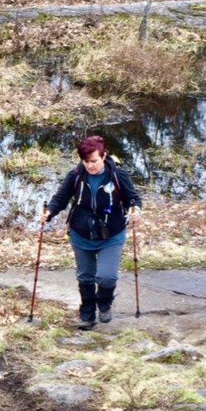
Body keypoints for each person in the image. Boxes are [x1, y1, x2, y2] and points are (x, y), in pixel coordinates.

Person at [41, 135, 143, 330]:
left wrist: (135, 211)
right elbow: (60, 199)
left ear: (103, 156)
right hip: (81, 234)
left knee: (107, 276)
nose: (90, 166)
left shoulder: (118, 176)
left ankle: (104, 303)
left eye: (94, 161)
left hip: (111, 234)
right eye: (86, 161)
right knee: (85, 276)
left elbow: (134, 199)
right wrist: (49, 212)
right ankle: (87, 312)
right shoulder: (76, 176)